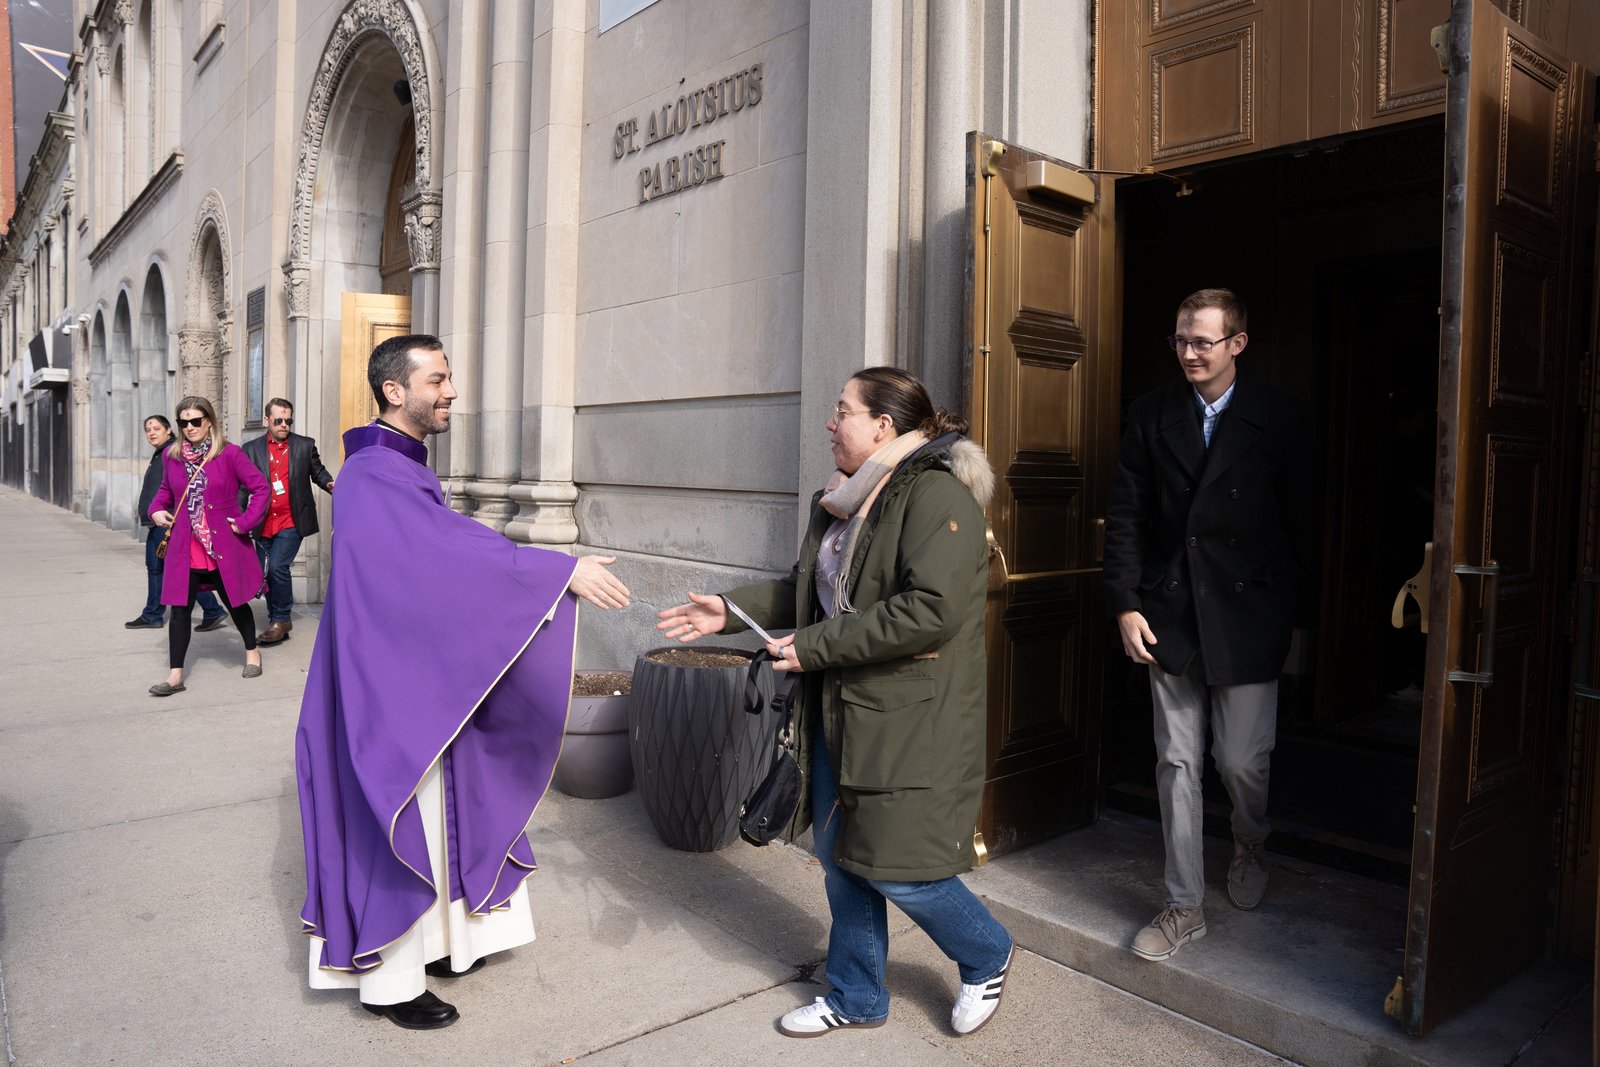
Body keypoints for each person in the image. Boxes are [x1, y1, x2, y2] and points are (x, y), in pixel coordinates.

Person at [656, 367, 1014, 1039]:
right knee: (842, 855)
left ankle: (986, 950)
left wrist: (815, 647)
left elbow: (928, 612)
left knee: (905, 870)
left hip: (907, 720)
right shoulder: (850, 498)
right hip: (840, 710)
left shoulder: (937, 497)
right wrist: (729, 611)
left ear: (883, 425)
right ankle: (855, 992)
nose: (829, 421)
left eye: (842, 409)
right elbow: (808, 590)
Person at [296, 334, 631, 1031]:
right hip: (387, 684)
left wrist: (542, 570)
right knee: (400, 811)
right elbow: (437, 556)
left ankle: (444, 944)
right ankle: (391, 979)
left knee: (443, 806)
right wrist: (556, 570)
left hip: (414, 669)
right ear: (396, 390)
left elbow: (442, 547)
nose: (450, 391)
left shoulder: (397, 468)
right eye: (438, 379)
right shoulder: (371, 474)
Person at [1103, 288, 1319, 962]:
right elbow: (1128, 515)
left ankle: (1252, 839)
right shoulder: (1149, 414)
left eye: (1202, 341)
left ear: (1237, 344)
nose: (1188, 353)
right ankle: (1182, 905)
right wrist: (1125, 602)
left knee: (1241, 761)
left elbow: (1305, 527)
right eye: (1180, 340)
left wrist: (1301, 622)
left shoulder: (1280, 418)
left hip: (1252, 615)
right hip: (1171, 613)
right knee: (1176, 760)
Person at [146, 397, 271, 696]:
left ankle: (252, 651)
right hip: (184, 545)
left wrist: (244, 522)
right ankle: (176, 675)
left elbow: (260, 488)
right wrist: (155, 509)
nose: (189, 428)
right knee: (179, 608)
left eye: (195, 421)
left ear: (209, 421)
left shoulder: (229, 454)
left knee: (235, 601)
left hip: (221, 544)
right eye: (183, 422)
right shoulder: (172, 456)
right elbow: (165, 491)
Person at [240, 397, 335, 646]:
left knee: (277, 568)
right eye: (279, 420)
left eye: (288, 420)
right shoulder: (250, 450)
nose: (284, 425)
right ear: (267, 420)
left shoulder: (304, 446)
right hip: (262, 522)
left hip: (292, 520)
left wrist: (331, 484)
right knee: (268, 573)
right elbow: (242, 486)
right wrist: (238, 518)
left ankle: (281, 619)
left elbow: (318, 472)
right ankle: (277, 620)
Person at [126, 415, 227, 631]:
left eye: (156, 428)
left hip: (167, 523)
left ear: (169, 431)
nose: (151, 432)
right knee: (171, 570)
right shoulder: (162, 453)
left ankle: (154, 614)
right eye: (148, 429)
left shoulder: (171, 452)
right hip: (160, 522)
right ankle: (212, 610)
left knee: (161, 570)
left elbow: (175, 488)